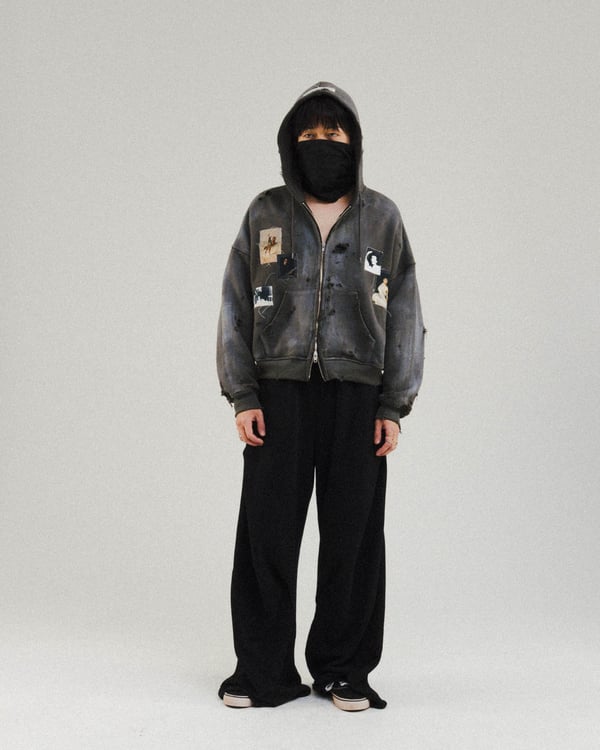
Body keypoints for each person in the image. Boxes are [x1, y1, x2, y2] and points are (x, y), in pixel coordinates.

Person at [216, 81, 425, 711]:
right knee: (266, 535)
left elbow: (406, 313)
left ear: (354, 142)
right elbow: (234, 305)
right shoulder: (265, 212)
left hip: (357, 399)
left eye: (333, 133)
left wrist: (393, 405)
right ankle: (262, 671)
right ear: (290, 142)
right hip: (277, 395)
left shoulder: (382, 217)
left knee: (352, 540)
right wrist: (243, 394)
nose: (321, 142)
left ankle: (342, 669)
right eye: (309, 133)